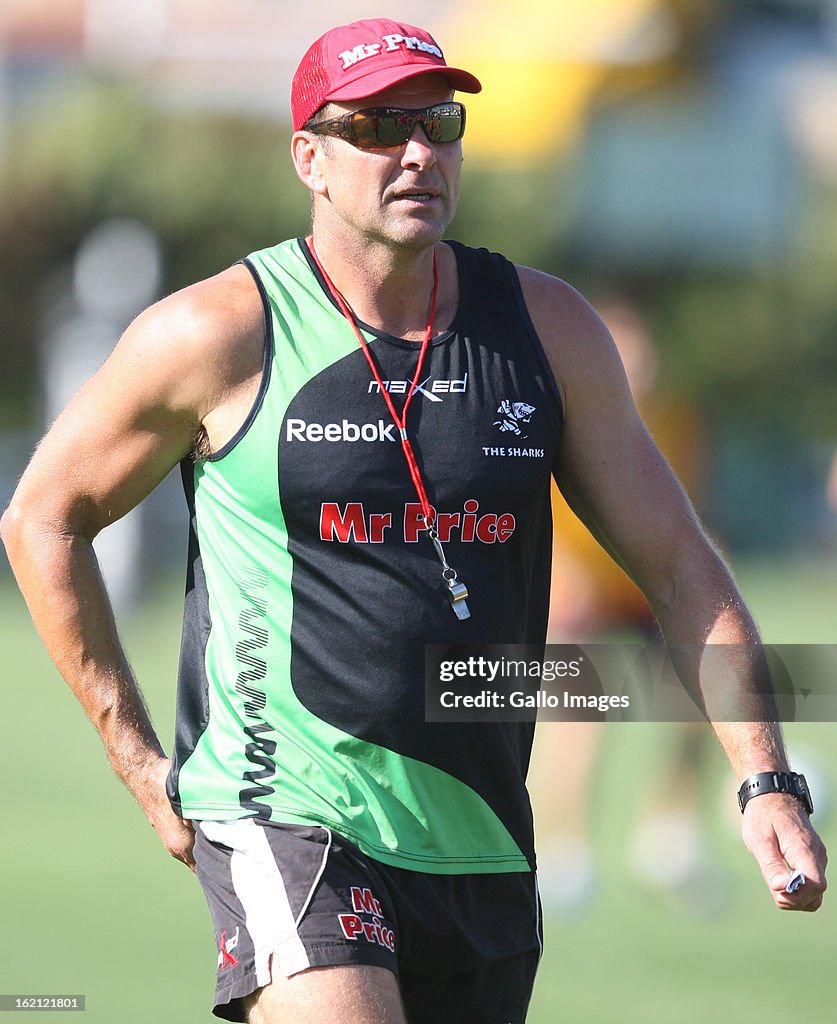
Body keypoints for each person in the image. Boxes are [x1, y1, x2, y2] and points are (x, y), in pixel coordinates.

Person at [0, 17, 827, 1024]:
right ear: (309, 155)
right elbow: (43, 517)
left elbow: (681, 567)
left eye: (439, 120)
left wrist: (767, 780)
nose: (419, 150)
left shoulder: (549, 331)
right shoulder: (213, 334)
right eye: (379, 127)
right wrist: (136, 756)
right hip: (285, 812)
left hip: (478, 836)